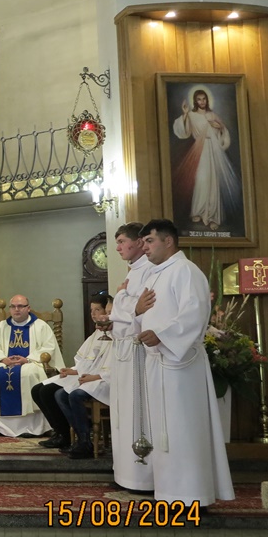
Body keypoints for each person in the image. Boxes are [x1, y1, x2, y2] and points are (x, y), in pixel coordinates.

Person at [134, 218, 234, 507]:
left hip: (181, 366)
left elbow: (195, 314)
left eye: (150, 241)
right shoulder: (155, 275)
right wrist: (139, 315)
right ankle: (168, 492)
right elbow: (146, 316)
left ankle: (192, 495)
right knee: (162, 431)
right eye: (143, 242)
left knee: (183, 429)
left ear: (168, 241)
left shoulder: (186, 271)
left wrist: (162, 335)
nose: (145, 248)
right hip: (158, 362)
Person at [31, 295, 113, 458]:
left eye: (98, 310)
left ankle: (81, 440)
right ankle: (62, 433)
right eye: (92, 310)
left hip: (103, 380)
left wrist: (87, 375)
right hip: (86, 376)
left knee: (59, 394)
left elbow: (110, 367)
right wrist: (72, 370)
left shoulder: (114, 334)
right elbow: (86, 362)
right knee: (38, 390)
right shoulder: (96, 334)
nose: (94, 314)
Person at [106, 222, 155, 493]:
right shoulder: (133, 271)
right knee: (122, 413)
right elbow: (123, 310)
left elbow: (143, 309)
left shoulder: (149, 270)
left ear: (138, 242)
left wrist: (123, 298)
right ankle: (125, 472)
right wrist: (125, 302)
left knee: (138, 412)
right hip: (124, 350)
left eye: (122, 241)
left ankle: (141, 476)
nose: (118, 248)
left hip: (138, 351)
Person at [0, 294, 63, 437]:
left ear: (28, 308)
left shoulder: (41, 326)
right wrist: (3, 359)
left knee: (29, 373)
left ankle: (31, 427)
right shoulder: (0, 327)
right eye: (13, 307)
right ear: (10, 309)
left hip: (31, 363)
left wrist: (28, 359)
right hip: (5, 363)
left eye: (21, 306)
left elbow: (48, 347)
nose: (17, 309)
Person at [171, 87, 242, 231]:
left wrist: (219, 127)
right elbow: (184, 132)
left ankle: (213, 216)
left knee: (213, 182)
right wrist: (185, 114)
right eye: (199, 99)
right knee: (201, 180)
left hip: (213, 150)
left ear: (207, 100)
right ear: (195, 101)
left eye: (204, 99)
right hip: (200, 149)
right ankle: (199, 211)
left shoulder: (212, 115)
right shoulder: (191, 115)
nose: (202, 102)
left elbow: (223, 131)